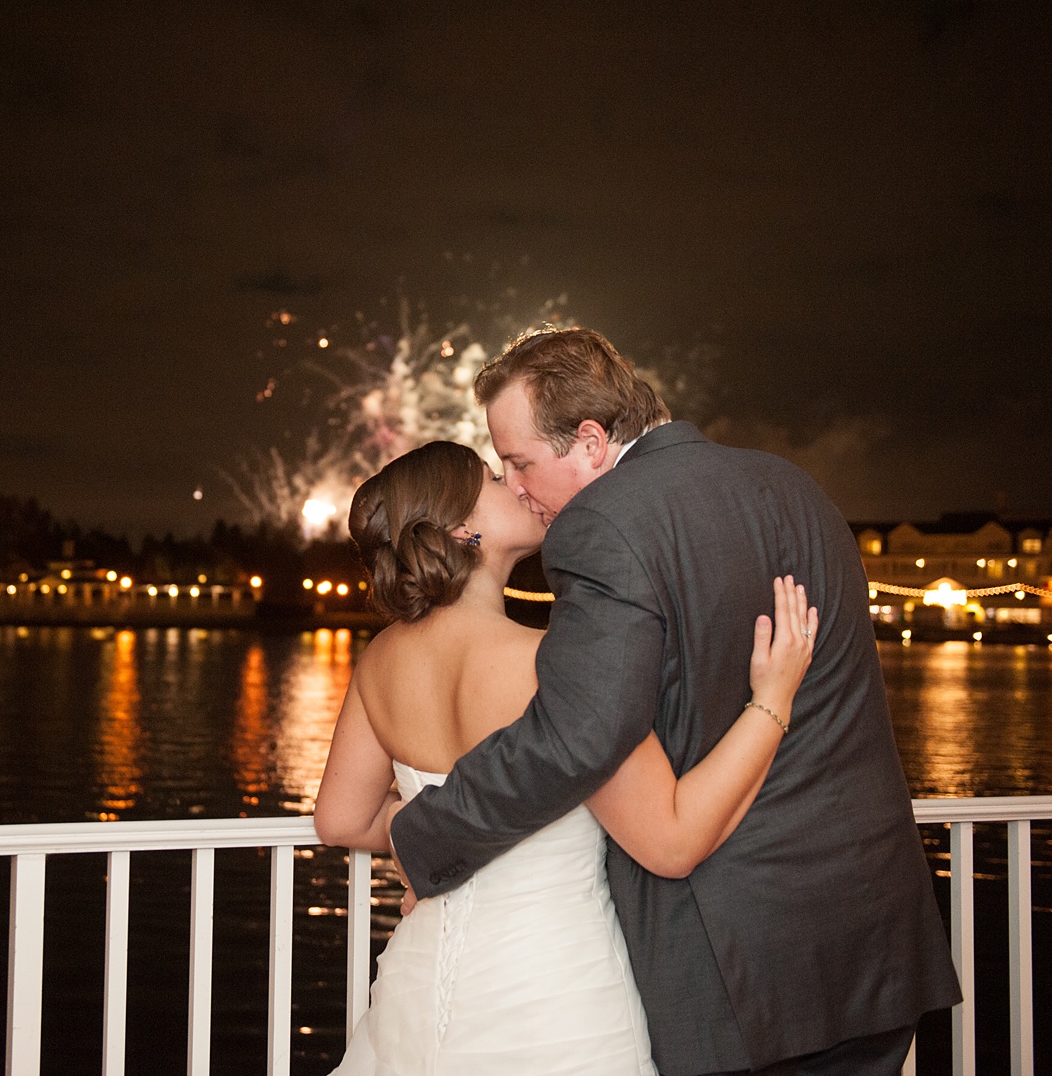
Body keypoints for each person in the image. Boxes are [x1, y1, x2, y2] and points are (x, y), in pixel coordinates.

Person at [386, 328, 960, 1075]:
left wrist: (422, 836)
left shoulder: (602, 523)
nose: (516, 486)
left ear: (591, 441)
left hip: (738, 974)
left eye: (521, 462)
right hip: (874, 943)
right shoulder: (796, 489)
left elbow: (575, 737)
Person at [314, 438, 818, 1075]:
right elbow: (674, 840)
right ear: (461, 528)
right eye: (497, 481)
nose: (519, 486)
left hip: (419, 988)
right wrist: (772, 701)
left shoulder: (381, 659)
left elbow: (340, 821)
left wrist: (421, 827)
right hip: (553, 995)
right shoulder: (552, 663)